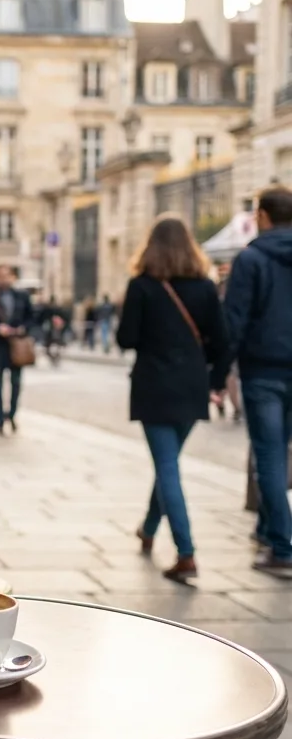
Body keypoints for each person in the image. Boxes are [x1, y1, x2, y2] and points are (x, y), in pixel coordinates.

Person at [116, 215, 227, 582]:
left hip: (155, 386)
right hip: (192, 386)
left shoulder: (142, 285)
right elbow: (222, 341)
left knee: (167, 467)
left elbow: (126, 338)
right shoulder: (205, 287)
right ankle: (148, 528)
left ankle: (186, 552)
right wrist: (216, 379)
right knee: (168, 462)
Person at [213, 187, 292, 576]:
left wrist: (217, 372)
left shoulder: (253, 258)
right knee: (280, 451)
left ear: (262, 216)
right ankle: (266, 529)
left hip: (264, 370)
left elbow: (234, 322)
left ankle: (282, 546)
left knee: (270, 456)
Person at [0, 265, 34, 434]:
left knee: (16, 382)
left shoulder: (22, 296)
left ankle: (12, 413)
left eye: (7, 275)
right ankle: (0, 418)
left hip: (16, 346)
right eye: (1, 276)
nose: (4, 279)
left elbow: (31, 318)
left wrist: (22, 329)